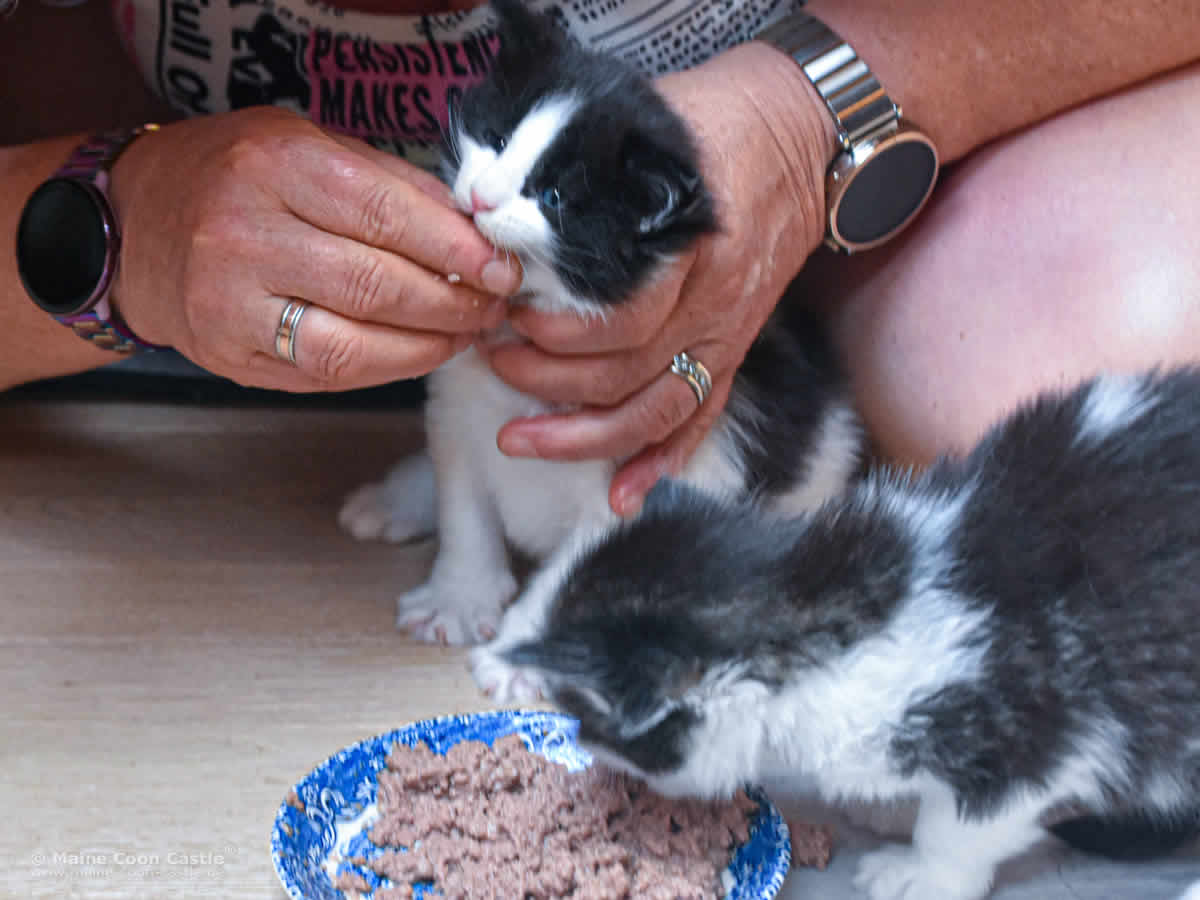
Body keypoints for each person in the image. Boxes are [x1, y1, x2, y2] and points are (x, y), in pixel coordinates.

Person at [2, 0, 1198, 524]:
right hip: (226, 440)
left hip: (868, 198)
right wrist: (110, 229)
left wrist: (816, 111)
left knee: (1088, 392)